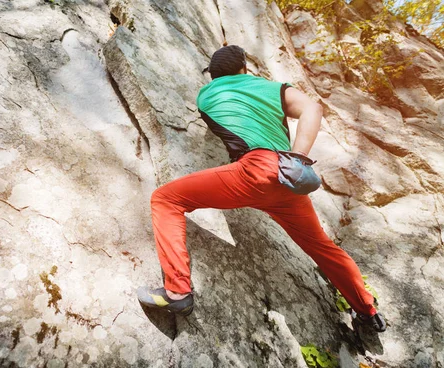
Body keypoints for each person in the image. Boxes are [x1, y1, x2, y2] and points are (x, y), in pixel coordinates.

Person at [137, 45, 386, 333]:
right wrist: (298, 159)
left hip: (253, 172)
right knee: (322, 247)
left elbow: (223, 126)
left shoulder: (207, 95)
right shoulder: (272, 88)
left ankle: (178, 293)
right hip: (288, 182)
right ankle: (367, 310)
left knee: (165, 199)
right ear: (244, 68)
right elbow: (313, 108)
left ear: (213, 75)